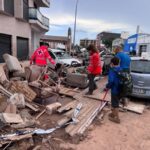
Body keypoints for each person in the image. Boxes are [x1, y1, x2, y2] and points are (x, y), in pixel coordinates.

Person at [105, 57, 122, 123]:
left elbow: (111, 81)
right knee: (115, 102)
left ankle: (117, 118)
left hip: (115, 89)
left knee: (115, 104)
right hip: (120, 89)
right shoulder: (121, 69)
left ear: (112, 63)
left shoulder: (112, 70)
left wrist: (107, 86)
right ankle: (113, 114)